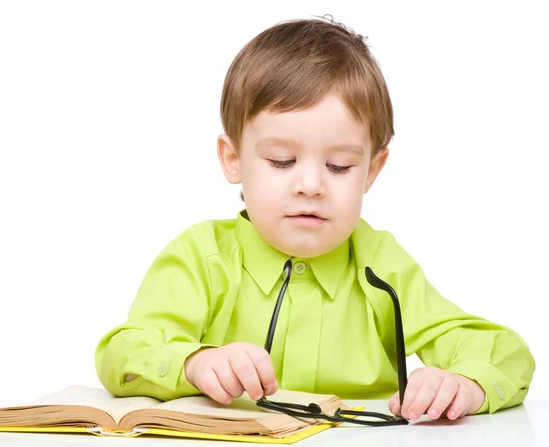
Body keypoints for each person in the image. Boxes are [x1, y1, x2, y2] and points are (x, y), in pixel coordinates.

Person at [95, 16, 535, 422]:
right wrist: (195, 362)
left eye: (340, 166)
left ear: (371, 172)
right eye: (282, 160)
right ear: (233, 160)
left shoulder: (381, 261)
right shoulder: (201, 256)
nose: (311, 185)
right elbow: (123, 354)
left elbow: (505, 353)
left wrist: (466, 383)